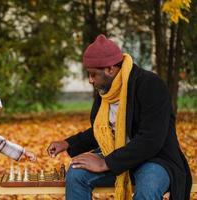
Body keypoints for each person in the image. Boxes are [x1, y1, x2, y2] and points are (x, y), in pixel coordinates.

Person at [47, 34, 192, 200]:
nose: (90, 80)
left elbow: (151, 140)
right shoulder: (106, 92)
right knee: (76, 174)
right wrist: (68, 143)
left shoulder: (150, 85)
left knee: (148, 186)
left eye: (93, 74)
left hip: (154, 159)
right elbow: (103, 130)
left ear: (110, 69)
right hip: (115, 154)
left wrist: (105, 163)